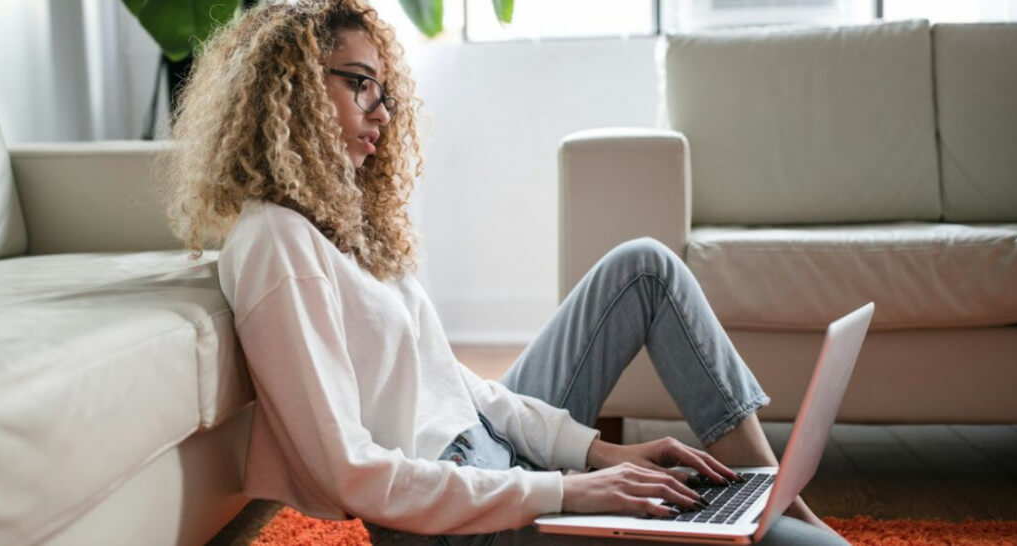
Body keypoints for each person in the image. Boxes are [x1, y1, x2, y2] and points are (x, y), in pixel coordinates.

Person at [161, 1, 847, 544]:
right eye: (359, 84)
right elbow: (349, 473)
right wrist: (564, 491)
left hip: (494, 460)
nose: (382, 109)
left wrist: (591, 453)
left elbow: (457, 387)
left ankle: (769, 490)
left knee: (645, 268)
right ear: (293, 91)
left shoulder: (343, 230)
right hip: (451, 524)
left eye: (385, 90)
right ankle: (774, 518)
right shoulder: (276, 243)